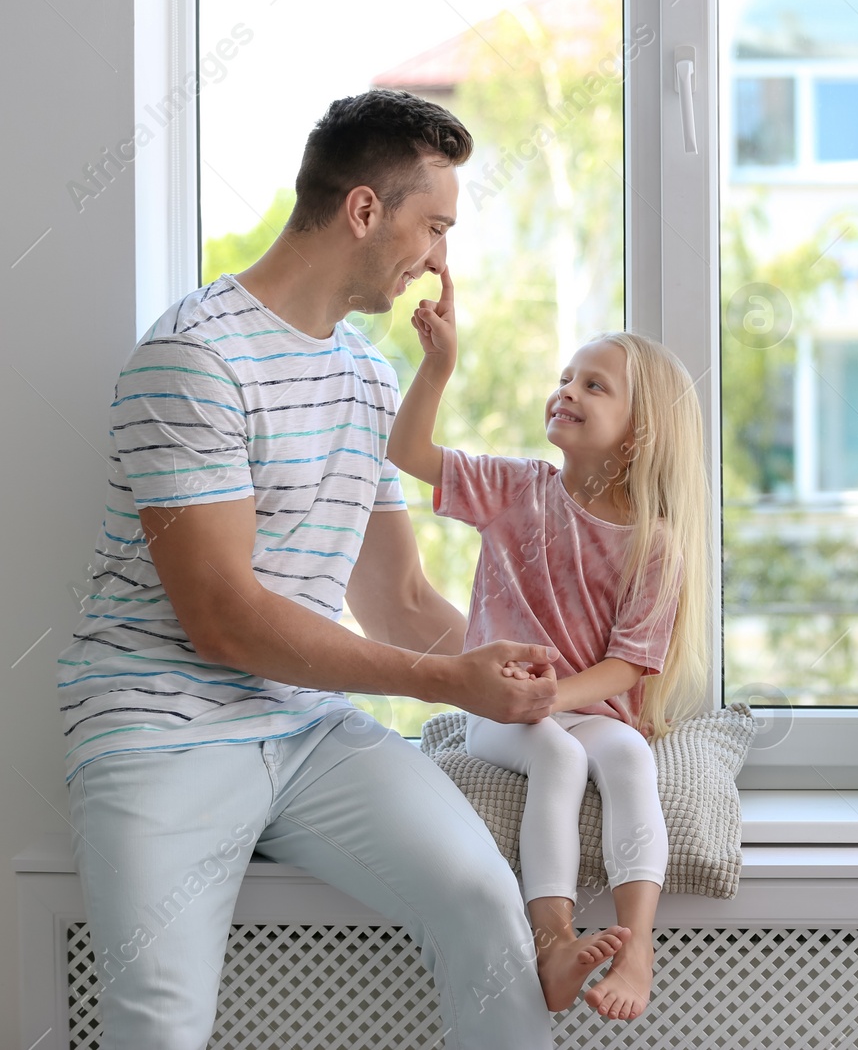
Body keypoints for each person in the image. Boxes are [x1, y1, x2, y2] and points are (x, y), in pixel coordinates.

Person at [55, 89, 586, 1050]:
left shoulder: (368, 377)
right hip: (159, 729)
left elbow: (397, 599)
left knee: (482, 900)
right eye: (434, 226)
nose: (439, 258)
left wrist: (529, 681)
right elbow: (224, 618)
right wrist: (441, 682)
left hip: (306, 730)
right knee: (158, 1025)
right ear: (364, 212)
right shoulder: (192, 359)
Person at [386, 276, 712, 1022]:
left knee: (629, 754)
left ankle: (638, 947)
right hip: (499, 712)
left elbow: (627, 668)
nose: (567, 390)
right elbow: (407, 450)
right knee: (560, 755)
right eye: (566, 377)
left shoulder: (654, 545)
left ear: (639, 433)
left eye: (593, 385)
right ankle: (555, 941)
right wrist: (437, 366)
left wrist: (555, 696)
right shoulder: (514, 490)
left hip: (573, 705)